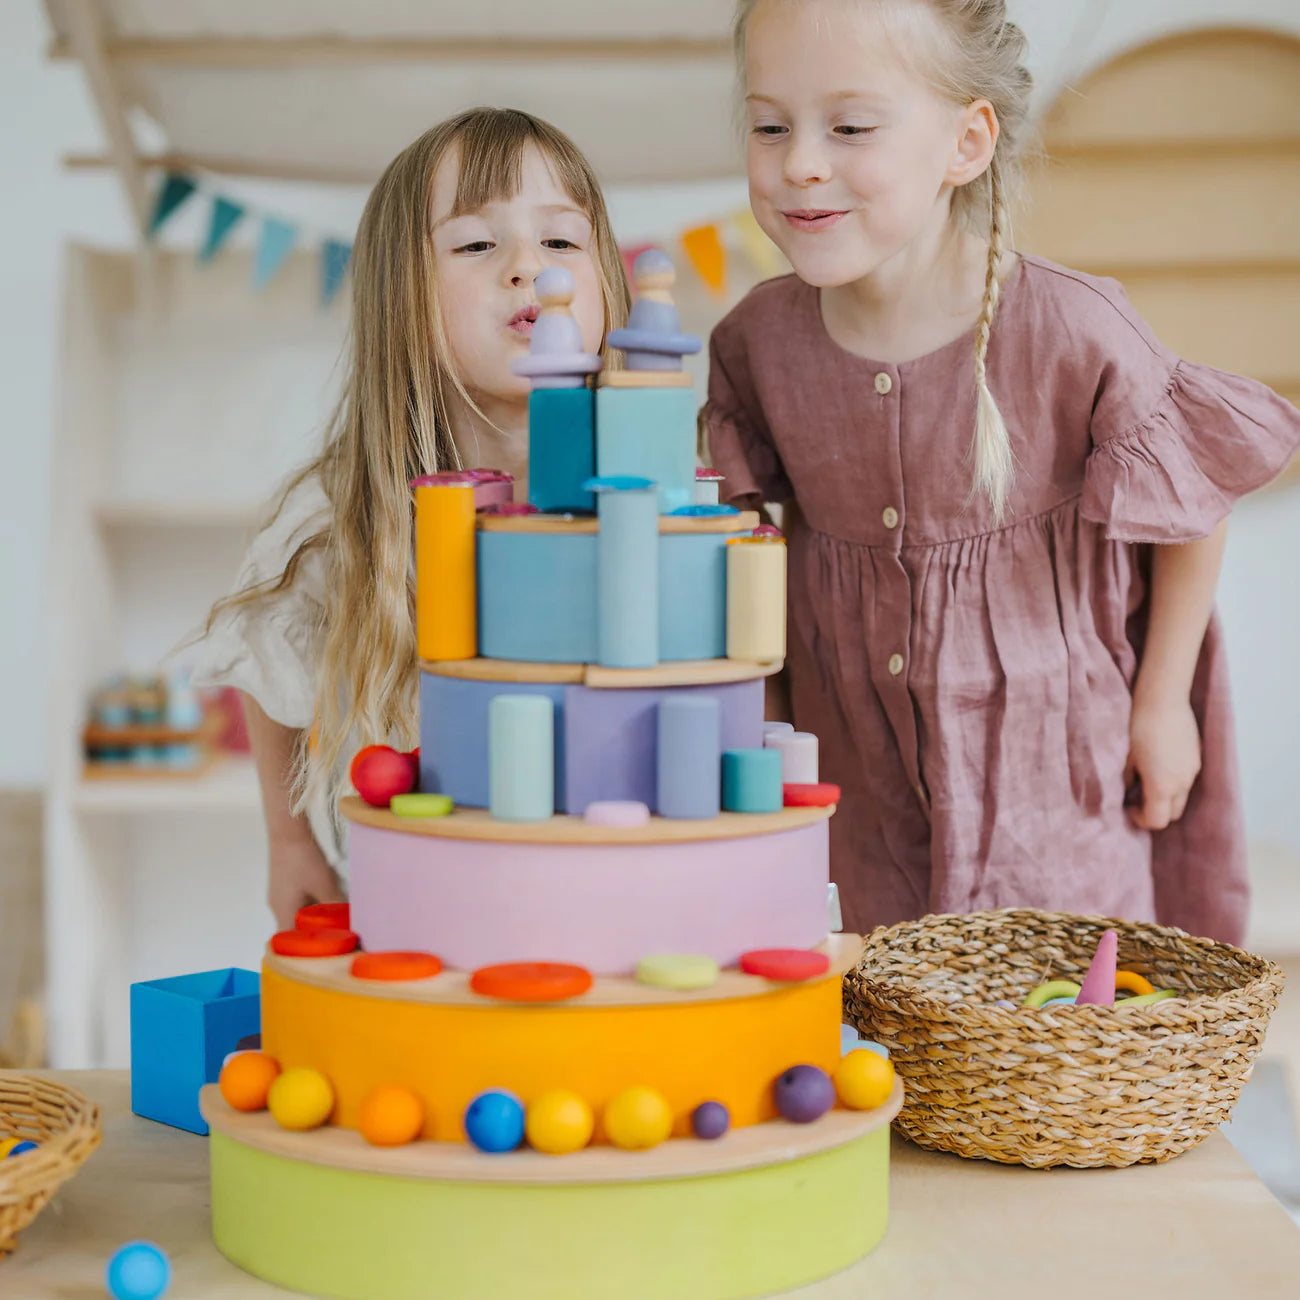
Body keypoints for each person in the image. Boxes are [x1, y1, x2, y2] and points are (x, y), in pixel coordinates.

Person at [704, 0, 1300, 942]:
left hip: (1060, 785)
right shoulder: (757, 346)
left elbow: (1195, 509)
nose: (799, 162)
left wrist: (1162, 705)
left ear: (966, 143)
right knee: (888, 1035)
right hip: (859, 796)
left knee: (1063, 1031)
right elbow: (745, 551)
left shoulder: (1069, 329)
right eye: (769, 124)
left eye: (849, 127)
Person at [194, 108, 629, 928]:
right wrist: (289, 843)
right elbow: (265, 657)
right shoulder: (340, 509)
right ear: (403, 295)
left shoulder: (645, 487)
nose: (528, 268)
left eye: (562, 243)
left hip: (614, 899)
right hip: (418, 911)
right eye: (476, 244)